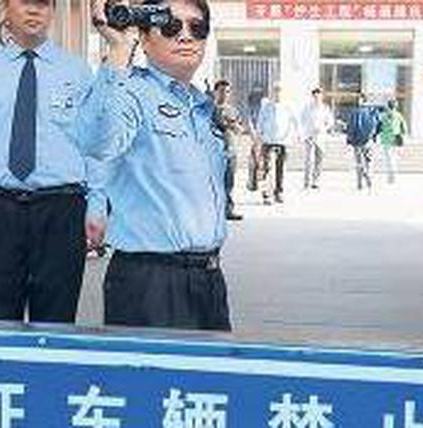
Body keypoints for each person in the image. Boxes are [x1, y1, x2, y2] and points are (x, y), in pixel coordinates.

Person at [0, 0, 102, 323]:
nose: (35, 11)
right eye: (25, 2)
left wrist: (97, 205)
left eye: (43, 4)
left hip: (62, 211)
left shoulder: (77, 72)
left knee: (56, 324)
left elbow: (94, 147)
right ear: (5, 9)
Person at [81, 0, 231, 330]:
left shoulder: (203, 108)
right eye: (171, 26)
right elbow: (97, 141)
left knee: (206, 382)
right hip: (149, 283)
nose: (186, 36)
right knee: (147, 382)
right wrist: (120, 50)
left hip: (208, 279)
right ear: (146, 40)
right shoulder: (131, 92)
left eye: (197, 27)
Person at [255, 84, 300, 204]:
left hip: (282, 141)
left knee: (280, 168)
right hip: (268, 140)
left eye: (280, 91)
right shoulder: (266, 106)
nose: (277, 93)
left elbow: (296, 121)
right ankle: (266, 193)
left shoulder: (288, 106)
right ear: (272, 92)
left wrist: (298, 135)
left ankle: (279, 192)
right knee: (267, 168)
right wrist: (258, 137)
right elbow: (260, 121)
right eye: (275, 91)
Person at [211, 79, 244, 221]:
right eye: (222, 91)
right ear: (215, 92)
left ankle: (228, 210)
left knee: (228, 183)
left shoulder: (233, 110)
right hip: (211, 152)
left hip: (230, 149)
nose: (225, 94)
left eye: (227, 91)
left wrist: (233, 125)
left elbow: (240, 129)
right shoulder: (207, 109)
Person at [300, 87, 334, 189]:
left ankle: (316, 181)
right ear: (312, 96)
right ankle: (307, 181)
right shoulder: (307, 108)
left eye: (318, 95)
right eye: (315, 96)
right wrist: (306, 132)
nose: (317, 98)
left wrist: (324, 128)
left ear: (321, 96)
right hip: (309, 136)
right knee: (309, 160)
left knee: (319, 159)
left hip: (320, 137)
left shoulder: (325, 108)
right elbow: (302, 121)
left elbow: (330, 122)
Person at [345, 94, 381, 191]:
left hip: (357, 141)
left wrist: (349, 140)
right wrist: (374, 136)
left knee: (359, 162)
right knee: (369, 160)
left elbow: (350, 127)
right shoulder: (372, 111)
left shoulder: (354, 112)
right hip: (368, 140)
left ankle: (360, 183)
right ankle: (368, 175)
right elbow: (378, 125)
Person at [378, 99, 408, 185]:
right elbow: (404, 128)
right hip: (395, 138)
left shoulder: (383, 116)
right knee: (393, 158)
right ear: (395, 106)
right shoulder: (398, 115)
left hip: (386, 139)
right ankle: (393, 175)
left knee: (389, 158)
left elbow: (379, 127)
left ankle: (391, 176)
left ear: (388, 106)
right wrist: (402, 134)